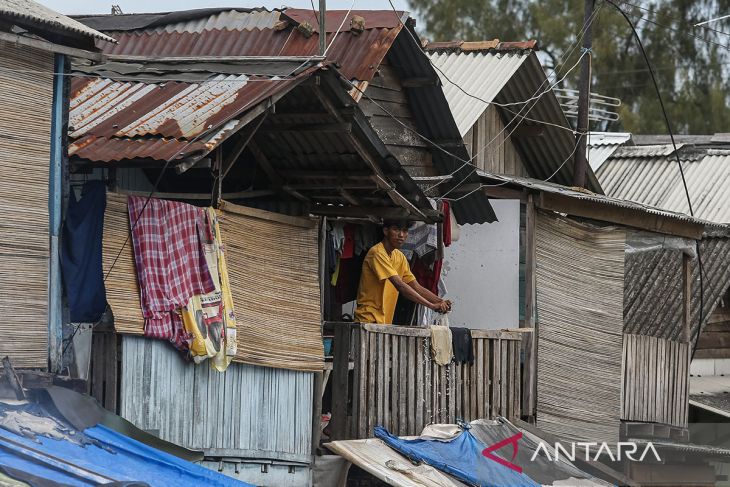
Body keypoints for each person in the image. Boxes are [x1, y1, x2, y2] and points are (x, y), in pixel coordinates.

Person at [354, 219, 451, 324]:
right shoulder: (377, 253)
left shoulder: (399, 256)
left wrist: (440, 301)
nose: (401, 235)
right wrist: (431, 305)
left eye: (405, 231)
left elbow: (416, 287)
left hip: (385, 319)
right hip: (368, 318)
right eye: (396, 230)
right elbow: (400, 285)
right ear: (386, 231)